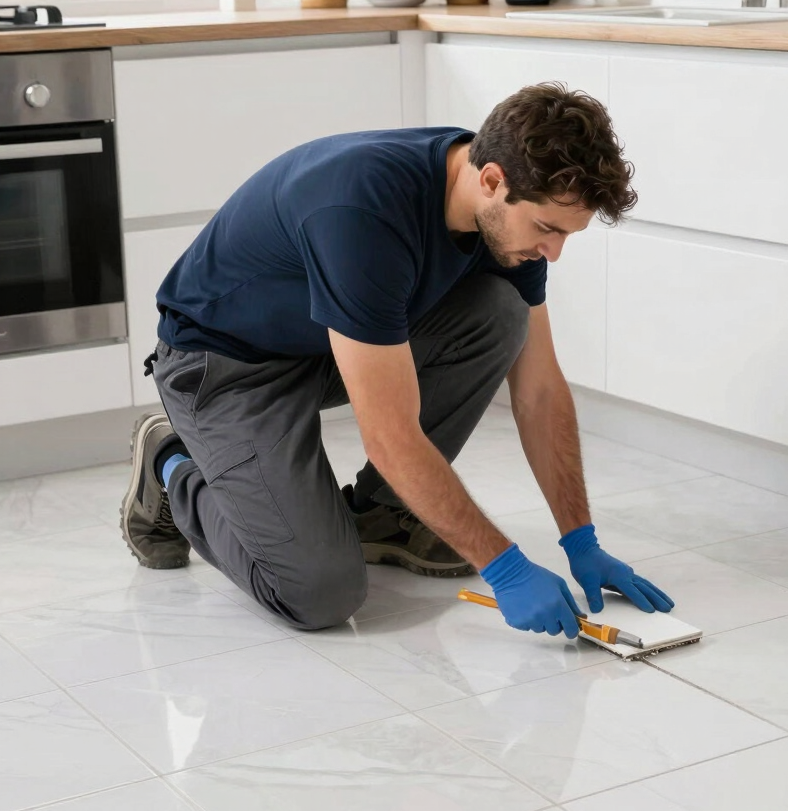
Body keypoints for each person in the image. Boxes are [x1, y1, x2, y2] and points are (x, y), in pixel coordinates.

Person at [119, 82, 674, 636]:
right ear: (491, 180)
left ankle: (383, 513)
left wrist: (580, 540)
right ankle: (169, 460)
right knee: (319, 593)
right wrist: (504, 568)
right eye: (547, 229)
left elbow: (540, 389)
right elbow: (390, 435)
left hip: (330, 343)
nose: (552, 252)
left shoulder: (501, 215)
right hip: (225, 367)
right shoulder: (364, 210)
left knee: (503, 311)